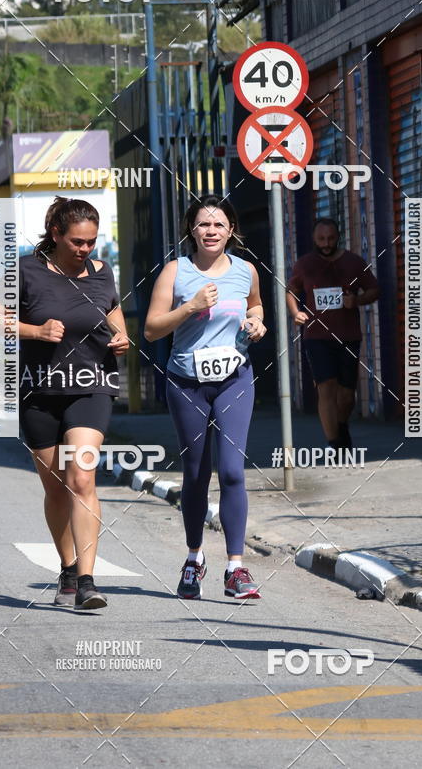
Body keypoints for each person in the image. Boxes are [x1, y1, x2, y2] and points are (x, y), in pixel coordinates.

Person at [145, 195, 266, 600]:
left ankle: (236, 568)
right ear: (191, 231)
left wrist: (257, 322)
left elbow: (257, 306)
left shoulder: (246, 270)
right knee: (196, 473)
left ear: (231, 229)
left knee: (232, 470)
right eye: (203, 225)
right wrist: (191, 307)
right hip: (186, 381)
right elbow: (151, 330)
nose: (211, 231)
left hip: (235, 378)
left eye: (218, 225)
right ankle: (194, 559)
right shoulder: (175, 272)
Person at [17, 196, 129, 610]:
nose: (85, 250)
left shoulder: (103, 272)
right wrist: (35, 330)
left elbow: (113, 310)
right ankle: (66, 566)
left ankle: (86, 580)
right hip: (40, 391)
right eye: (78, 242)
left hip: (91, 385)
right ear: (57, 235)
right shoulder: (27, 271)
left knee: (81, 477)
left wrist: (121, 337)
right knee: (56, 488)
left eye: (91, 242)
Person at [286, 217, 379, 452]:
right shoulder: (305, 264)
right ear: (314, 239)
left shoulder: (354, 263)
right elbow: (291, 290)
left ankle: (341, 425)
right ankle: (334, 443)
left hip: (348, 335)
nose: (326, 243)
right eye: (321, 239)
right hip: (316, 336)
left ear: (338, 237)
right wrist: (295, 312)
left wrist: (356, 300)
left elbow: (374, 290)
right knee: (326, 387)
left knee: (347, 395)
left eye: (330, 238)